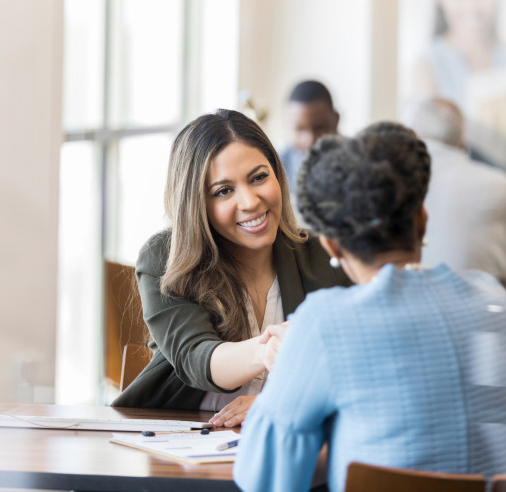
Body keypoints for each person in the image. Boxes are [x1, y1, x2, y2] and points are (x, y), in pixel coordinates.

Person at [234, 122, 506, 492]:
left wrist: (287, 369)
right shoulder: (491, 300)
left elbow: (263, 477)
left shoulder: (327, 323)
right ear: (422, 221)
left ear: (331, 246)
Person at [111, 109, 349, 427]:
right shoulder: (164, 258)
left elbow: (359, 366)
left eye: (259, 177)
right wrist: (269, 350)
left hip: (293, 447)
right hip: (182, 447)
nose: (250, 201)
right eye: (224, 191)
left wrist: (279, 402)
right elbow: (196, 357)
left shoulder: (325, 255)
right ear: (196, 203)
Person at [408, 96, 506, 294]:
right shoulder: (501, 184)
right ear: (463, 139)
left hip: (410, 305)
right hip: (486, 312)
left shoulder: (396, 184)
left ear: (413, 134)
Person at [278, 80, 340, 195]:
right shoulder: (278, 166)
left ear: (336, 120)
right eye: (299, 129)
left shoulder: (358, 162)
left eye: (319, 128)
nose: (310, 140)